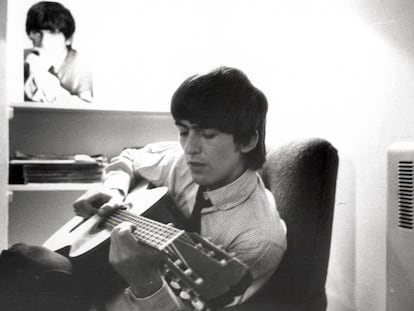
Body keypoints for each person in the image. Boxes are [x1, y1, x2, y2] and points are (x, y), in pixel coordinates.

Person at [73, 66, 287, 310]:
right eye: (184, 131)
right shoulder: (183, 163)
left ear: (248, 140)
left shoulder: (258, 240)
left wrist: (146, 283)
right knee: (25, 256)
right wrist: (114, 190)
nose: (190, 148)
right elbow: (131, 157)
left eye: (207, 134)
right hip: (99, 282)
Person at [23, 1, 93, 104]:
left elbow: (88, 112)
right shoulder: (24, 61)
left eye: (52, 33)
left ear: (68, 39)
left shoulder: (81, 66)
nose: (43, 41)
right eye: (37, 33)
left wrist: (44, 77)